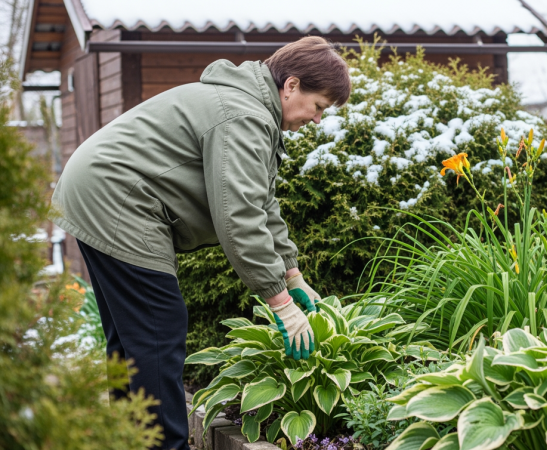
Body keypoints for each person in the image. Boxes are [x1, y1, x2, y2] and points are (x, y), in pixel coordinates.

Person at [50, 36, 351, 450]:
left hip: (96, 193)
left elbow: (261, 202)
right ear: (292, 85)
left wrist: (292, 274)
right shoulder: (243, 116)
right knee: (158, 330)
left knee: (134, 340)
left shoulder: (249, 107)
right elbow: (240, 219)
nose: (318, 120)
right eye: (319, 107)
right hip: (118, 200)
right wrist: (280, 304)